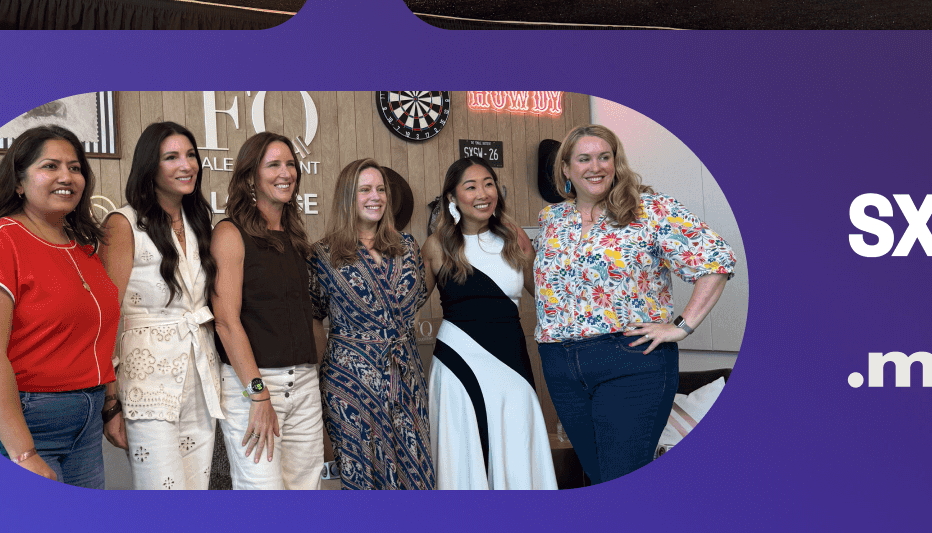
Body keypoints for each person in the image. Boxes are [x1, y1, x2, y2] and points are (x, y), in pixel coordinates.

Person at [536, 125, 736, 485]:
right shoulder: (552, 220)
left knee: (621, 477)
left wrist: (681, 326)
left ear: (616, 162)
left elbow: (716, 259)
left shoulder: (649, 209)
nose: (595, 166)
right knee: (598, 478)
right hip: (561, 365)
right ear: (566, 168)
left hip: (629, 359)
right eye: (584, 158)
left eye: (604, 157)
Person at [0, 126, 117, 487]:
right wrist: (23, 452)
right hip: (15, 419)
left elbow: (95, 339)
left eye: (75, 167)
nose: (66, 176)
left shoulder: (81, 248)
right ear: (19, 183)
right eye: (50, 166)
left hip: (83, 421)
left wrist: (109, 406)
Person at [100, 122, 223, 489]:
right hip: (147, 382)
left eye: (190, 155)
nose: (186, 165)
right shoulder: (123, 224)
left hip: (201, 377)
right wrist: (110, 403)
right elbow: (106, 317)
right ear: (149, 167)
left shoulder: (200, 221)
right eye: (171, 157)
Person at [425, 157, 556, 490]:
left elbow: (549, 297)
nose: (483, 193)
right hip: (458, 366)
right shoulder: (436, 247)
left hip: (511, 363)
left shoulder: (515, 240)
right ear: (452, 198)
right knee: (464, 456)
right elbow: (403, 306)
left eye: (488, 183)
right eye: (471, 186)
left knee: (515, 446)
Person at [209, 131, 326, 489]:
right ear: (250, 177)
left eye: (290, 164)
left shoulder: (295, 238)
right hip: (255, 386)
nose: (286, 172)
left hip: (304, 383)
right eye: (273, 164)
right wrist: (258, 395)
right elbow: (227, 323)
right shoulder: (229, 233)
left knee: (306, 492)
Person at [310, 160, 433, 490]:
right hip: (350, 384)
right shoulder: (323, 254)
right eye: (365, 189)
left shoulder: (407, 246)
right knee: (364, 479)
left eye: (381, 189)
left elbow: (416, 302)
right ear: (348, 197)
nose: (375, 196)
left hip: (405, 379)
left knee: (416, 473)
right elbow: (313, 316)